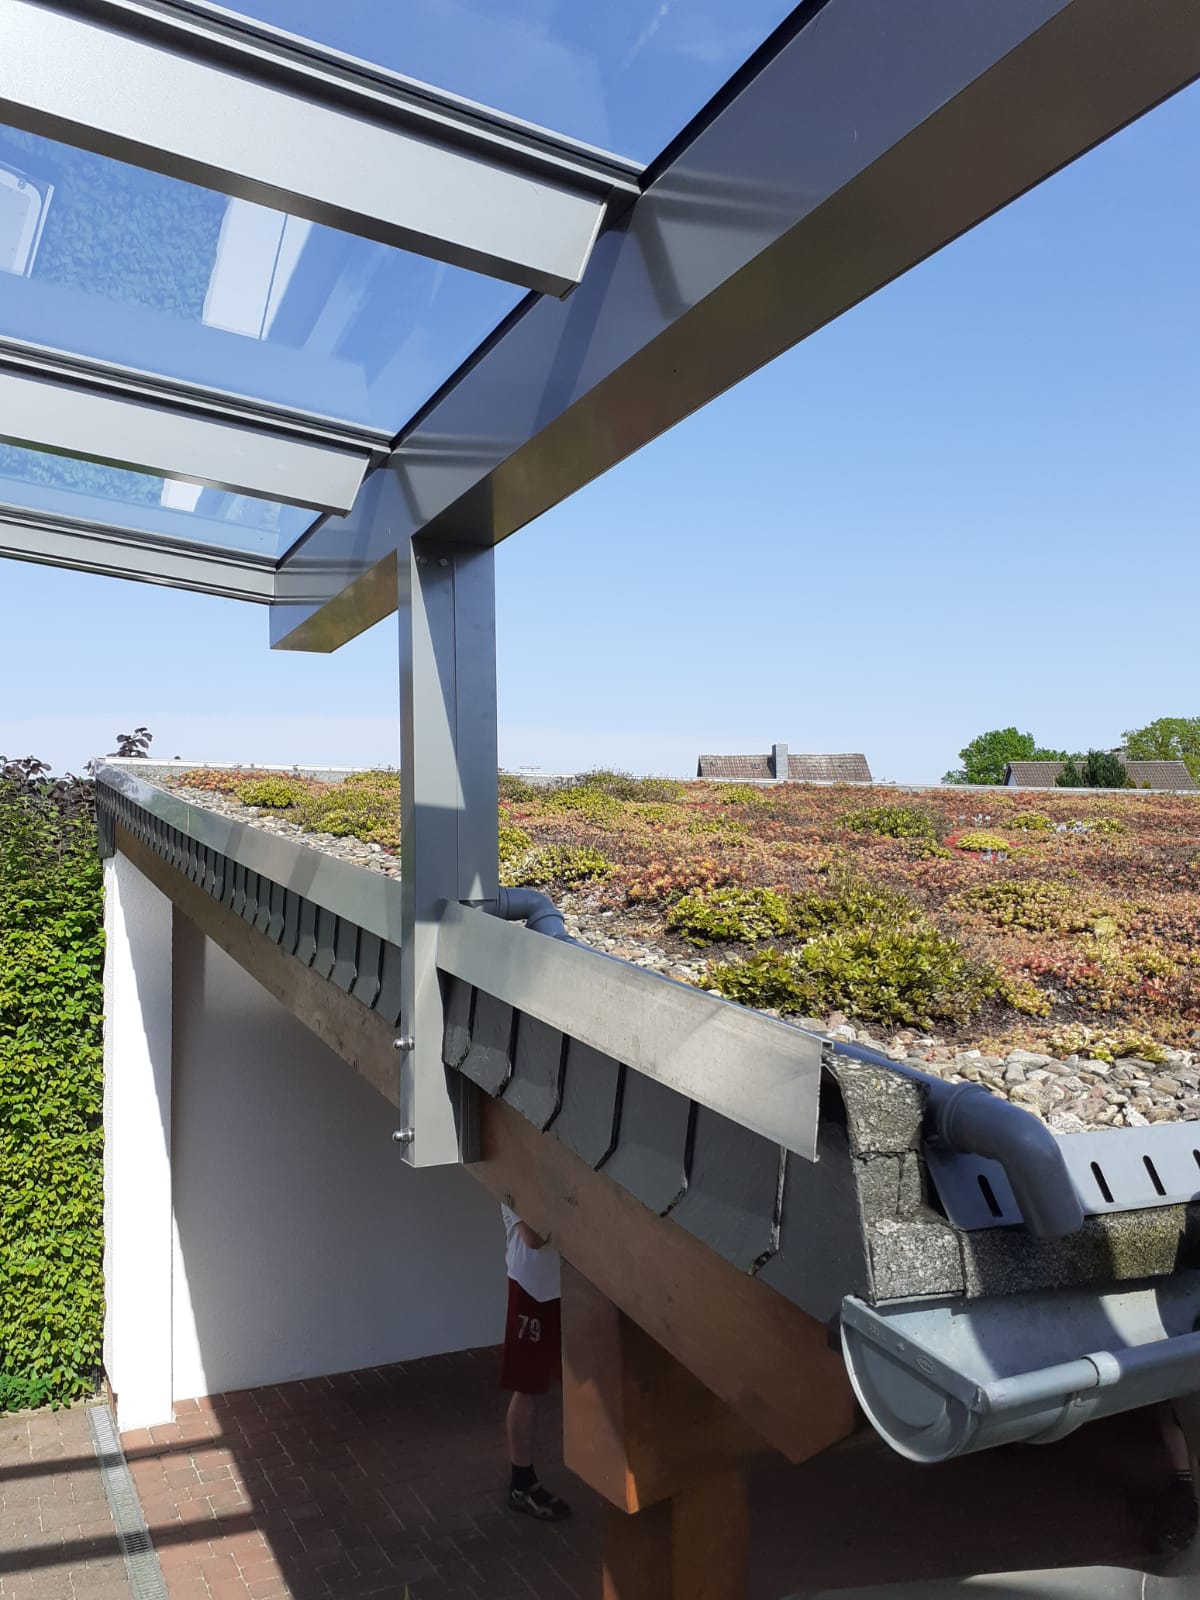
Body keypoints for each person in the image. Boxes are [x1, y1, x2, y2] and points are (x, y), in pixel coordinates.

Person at [499, 1201, 571, 1521]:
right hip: (532, 1289)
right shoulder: (514, 1178)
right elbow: (534, 1237)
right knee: (527, 1386)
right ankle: (521, 1484)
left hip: (568, 1284)